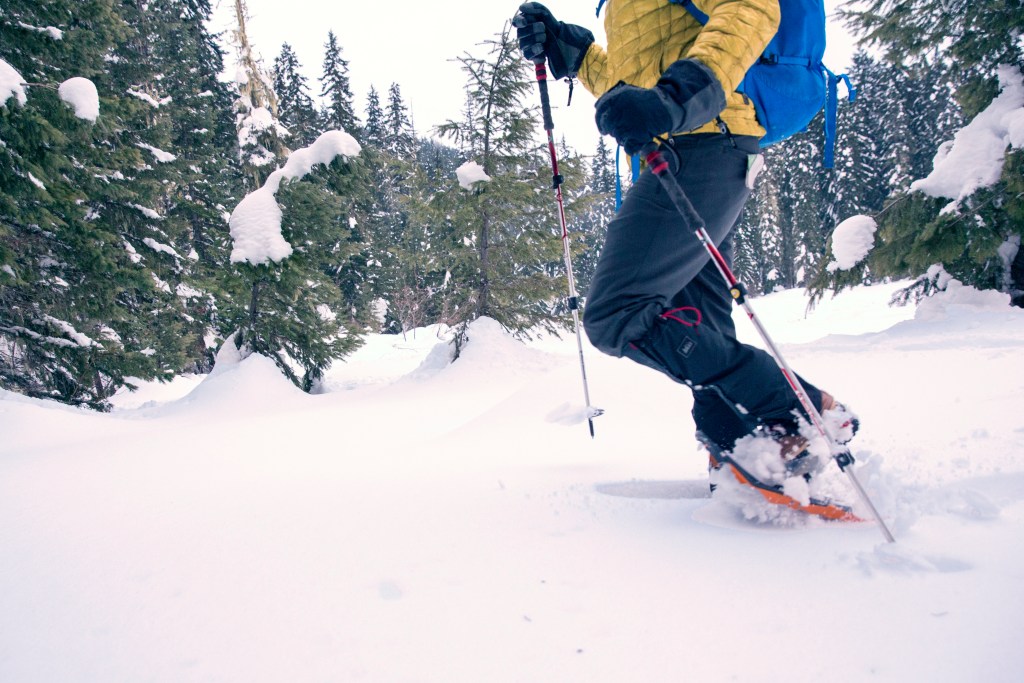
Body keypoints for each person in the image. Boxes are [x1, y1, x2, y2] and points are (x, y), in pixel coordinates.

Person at [513, 0, 857, 490]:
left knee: (616, 314)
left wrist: (676, 97)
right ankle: (748, 449)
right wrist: (578, 54)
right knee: (698, 324)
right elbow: (643, 74)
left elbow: (751, 10)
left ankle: (799, 410)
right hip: (692, 151)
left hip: (703, 146)